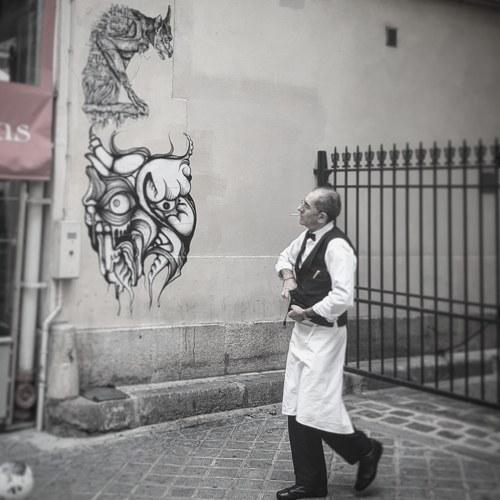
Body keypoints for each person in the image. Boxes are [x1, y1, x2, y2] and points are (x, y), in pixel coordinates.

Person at [275, 187, 383, 500]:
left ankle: (363, 450)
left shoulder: (338, 247)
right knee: (296, 405)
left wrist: (308, 311)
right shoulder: (305, 238)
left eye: (305, 205)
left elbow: (343, 297)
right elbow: (284, 257)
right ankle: (312, 482)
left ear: (321, 216)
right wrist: (288, 278)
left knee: (315, 407)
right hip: (302, 334)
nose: (299, 208)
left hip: (326, 337)